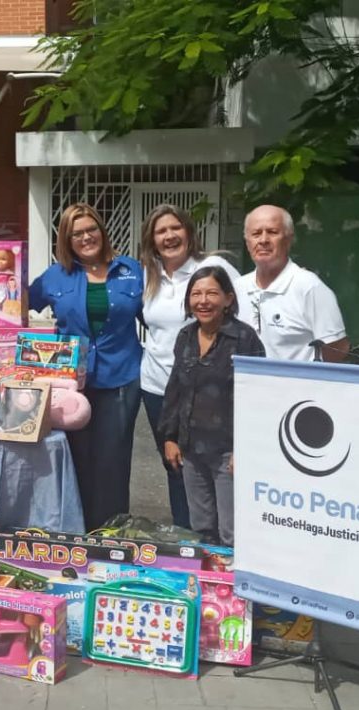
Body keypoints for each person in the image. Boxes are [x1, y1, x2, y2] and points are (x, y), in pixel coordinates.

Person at [29, 203, 143, 531]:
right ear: (66, 240)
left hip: (120, 378)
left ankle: (110, 533)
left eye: (91, 229)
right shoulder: (54, 276)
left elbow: (157, 316)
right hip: (69, 384)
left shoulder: (131, 270)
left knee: (113, 462)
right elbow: (14, 302)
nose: (86, 237)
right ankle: (76, 532)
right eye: (76, 233)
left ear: (102, 231)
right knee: (73, 458)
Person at [139, 204, 246, 529]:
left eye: (176, 228)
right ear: (152, 239)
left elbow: (242, 318)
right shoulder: (149, 274)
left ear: (188, 231)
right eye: (161, 231)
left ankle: (221, 542)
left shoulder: (212, 267)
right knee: (175, 466)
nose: (169, 236)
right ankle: (185, 536)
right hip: (158, 388)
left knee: (218, 471)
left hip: (209, 391)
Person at [158, 265, 265, 546]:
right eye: (196, 294)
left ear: (228, 299)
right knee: (201, 528)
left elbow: (258, 397)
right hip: (191, 449)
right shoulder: (186, 336)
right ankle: (208, 574)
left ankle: (235, 575)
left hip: (228, 451)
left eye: (212, 293)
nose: (203, 301)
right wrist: (169, 437)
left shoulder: (244, 339)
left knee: (233, 531)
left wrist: (245, 449)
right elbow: (175, 388)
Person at [241, 205, 349, 362]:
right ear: (247, 242)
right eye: (256, 233)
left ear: (288, 239)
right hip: (245, 378)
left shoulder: (310, 288)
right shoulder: (237, 288)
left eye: (272, 232)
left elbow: (338, 348)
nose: (263, 240)